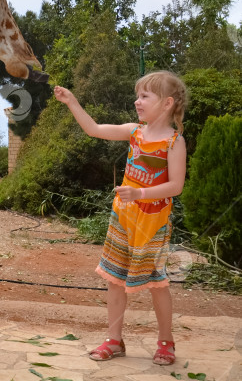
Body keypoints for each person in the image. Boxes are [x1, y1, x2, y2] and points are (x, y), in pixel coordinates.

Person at [54, 71, 187, 365]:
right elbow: (94, 129)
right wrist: (72, 102)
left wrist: (139, 194)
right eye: (137, 95)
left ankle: (166, 342)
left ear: (166, 104)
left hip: (152, 225)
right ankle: (114, 340)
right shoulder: (134, 132)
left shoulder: (174, 141)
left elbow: (176, 185)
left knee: (157, 283)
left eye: (144, 96)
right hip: (122, 220)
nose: (137, 101)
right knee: (114, 280)